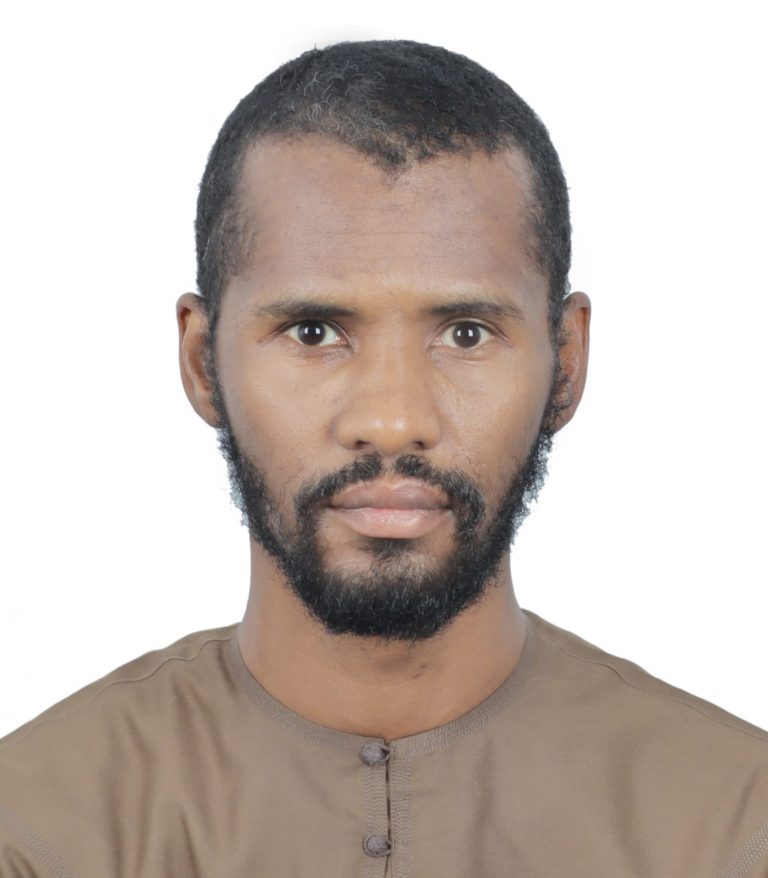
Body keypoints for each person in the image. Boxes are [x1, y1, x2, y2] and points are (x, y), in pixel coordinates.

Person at [0, 38, 766, 878]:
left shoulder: (734, 826)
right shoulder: (37, 829)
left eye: (465, 334)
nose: (394, 421)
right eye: (313, 332)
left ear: (567, 363)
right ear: (202, 362)